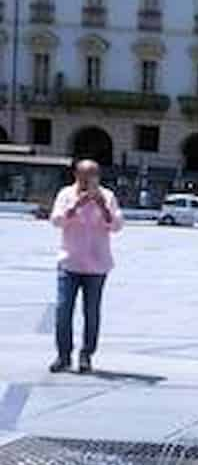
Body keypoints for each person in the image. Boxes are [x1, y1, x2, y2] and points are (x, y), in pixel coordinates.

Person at [49, 159, 124, 374]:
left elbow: (117, 226)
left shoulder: (107, 196)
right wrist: (75, 207)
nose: (88, 181)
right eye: (84, 176)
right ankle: (63, 356)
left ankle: (86, 355)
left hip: (97, 265)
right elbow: (56, 221)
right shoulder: (65, 194)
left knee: (91, 312)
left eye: (93, 175)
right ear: (76, 175)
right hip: (69, 262)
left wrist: (103, 208)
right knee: (63, 310)